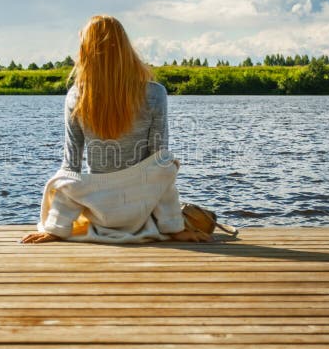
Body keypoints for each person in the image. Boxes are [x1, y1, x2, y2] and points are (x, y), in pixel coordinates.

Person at [20, 15, 210, 244]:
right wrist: (174, 227)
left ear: (85, 53)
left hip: (99, 210)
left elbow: (70, 165)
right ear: (125, 49)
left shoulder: (76, 96)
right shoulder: (155, 94)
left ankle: (58, 225)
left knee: (63, 178)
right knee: (165, 163)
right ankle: (167, 223)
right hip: (140, 209)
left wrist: (55, 229)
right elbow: (158, 162)